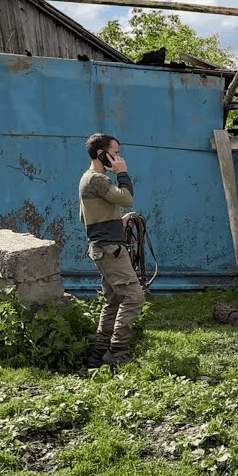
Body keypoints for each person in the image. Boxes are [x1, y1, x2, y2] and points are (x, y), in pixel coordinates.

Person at [79, 133, 145, 367]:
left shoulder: (88, 179)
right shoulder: (97, 179)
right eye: (115, 153)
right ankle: (118, 351)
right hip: (110, 249)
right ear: (101, 154)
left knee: (114, 301)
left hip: (104, 248)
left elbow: (85, 217)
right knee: (134, 297)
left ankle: (98, 354)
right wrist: (122, 173)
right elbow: (126, 198)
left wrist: (119, 222)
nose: (119, 158)